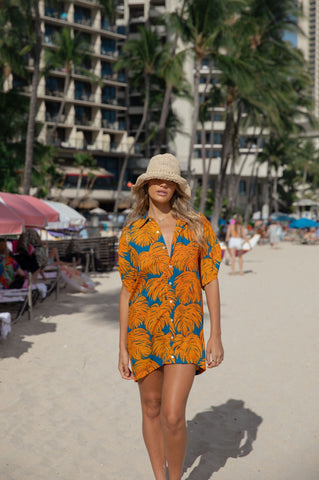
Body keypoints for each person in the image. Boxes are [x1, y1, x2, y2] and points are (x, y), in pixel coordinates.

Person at [117, 153, 223, 480]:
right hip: (143, 332)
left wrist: (216, 335)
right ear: (146, 185)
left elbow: (210, 278)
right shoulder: (132, 233)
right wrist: (122, 346)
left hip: (187, 332)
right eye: (157, 180)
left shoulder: (197, 226)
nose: (163, 185)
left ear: (176, 188)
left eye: (170, 181)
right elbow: (127, 292)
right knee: (151, 409)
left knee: (173, 415)